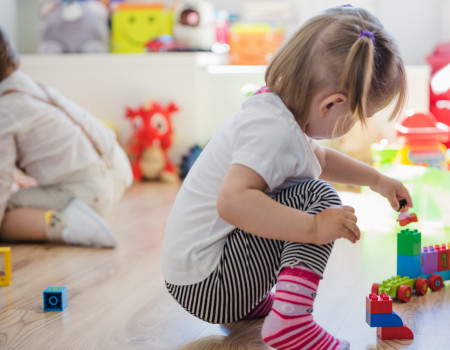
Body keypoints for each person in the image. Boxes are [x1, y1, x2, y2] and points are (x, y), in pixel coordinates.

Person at [162, 5, 412, 349]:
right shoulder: (274, 131)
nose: (351, 127)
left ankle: (251, 307)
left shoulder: (278, 111)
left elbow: (318, 157)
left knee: (307, 188)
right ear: (331, 104)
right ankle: (292, 323)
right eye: (356, 117)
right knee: (318, 198)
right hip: (209, 283)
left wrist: (376, 179)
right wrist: (315, 228)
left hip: (197, 279)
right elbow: (232, 202)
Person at [0, 26, 133, 248]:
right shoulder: (27, 84)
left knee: (8, 212)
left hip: (90, 190)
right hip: (117, 171)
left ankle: (70, 225)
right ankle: (81, 214)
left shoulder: (5, 109)